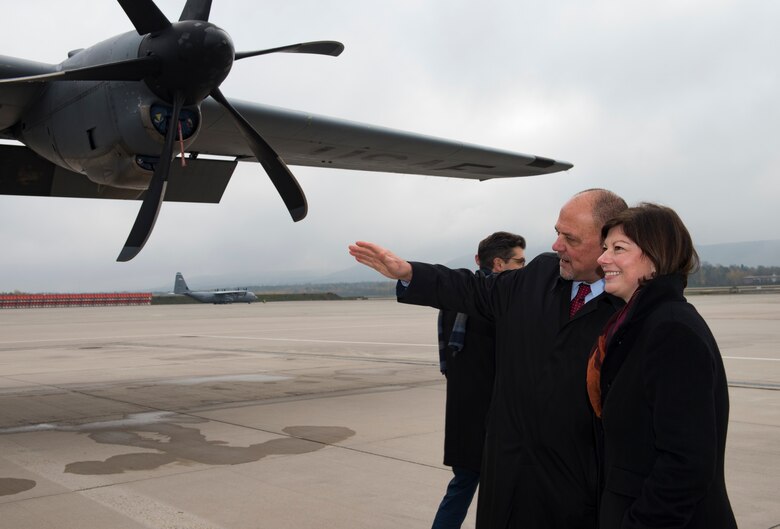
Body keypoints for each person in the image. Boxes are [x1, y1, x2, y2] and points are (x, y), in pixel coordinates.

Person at [349, 188, 628, 529]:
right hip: (509, 481)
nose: (556, 245)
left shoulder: (629, 311)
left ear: (607, 244)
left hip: (574, 494)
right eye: (557, 233)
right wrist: (409, 272)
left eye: (569, 238)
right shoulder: (539, 275)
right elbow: (473, 289)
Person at [588, 203, 737, 529]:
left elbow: (687, 463)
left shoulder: (671, 329)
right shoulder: (635, 324)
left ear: (656, 256)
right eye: (604, 248)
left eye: (618, 248)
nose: (602, 259)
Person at [433, 231, 527, 529]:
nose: (524, 269)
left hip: (463, 417)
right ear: (499, 264)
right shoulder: (501, 305)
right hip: (494, 421)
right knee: (506, 500)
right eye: (520, 262)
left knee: (460, 490)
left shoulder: (455, 300)